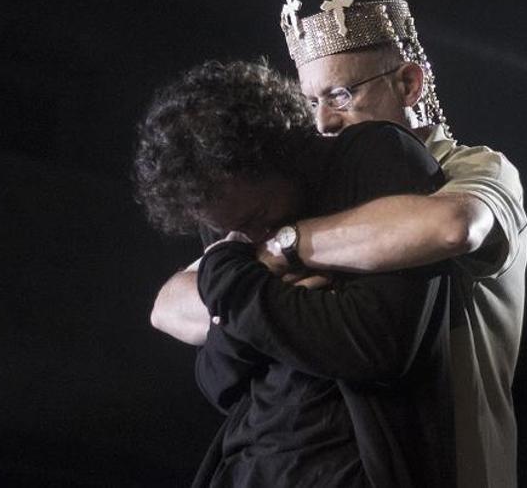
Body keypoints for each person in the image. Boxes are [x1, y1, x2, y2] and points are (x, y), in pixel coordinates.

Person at [153, 0, 527, 487]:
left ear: (408, 83)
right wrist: (255, 283)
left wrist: (277, 250)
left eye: (341, 95)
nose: (322, 121)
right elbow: (170, 304)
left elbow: (450, 226)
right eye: (309, 101)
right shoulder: (316, 189)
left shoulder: (474, 166)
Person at [136, 60, 456, 487]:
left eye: (259, 216)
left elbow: (376, 345)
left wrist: (233, 277)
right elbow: (218, 381)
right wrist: (269, 299)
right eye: (235, 231)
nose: (252, 238)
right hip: (243, 468)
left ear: (281, 155)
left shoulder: (376, 154)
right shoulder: (229, 211)